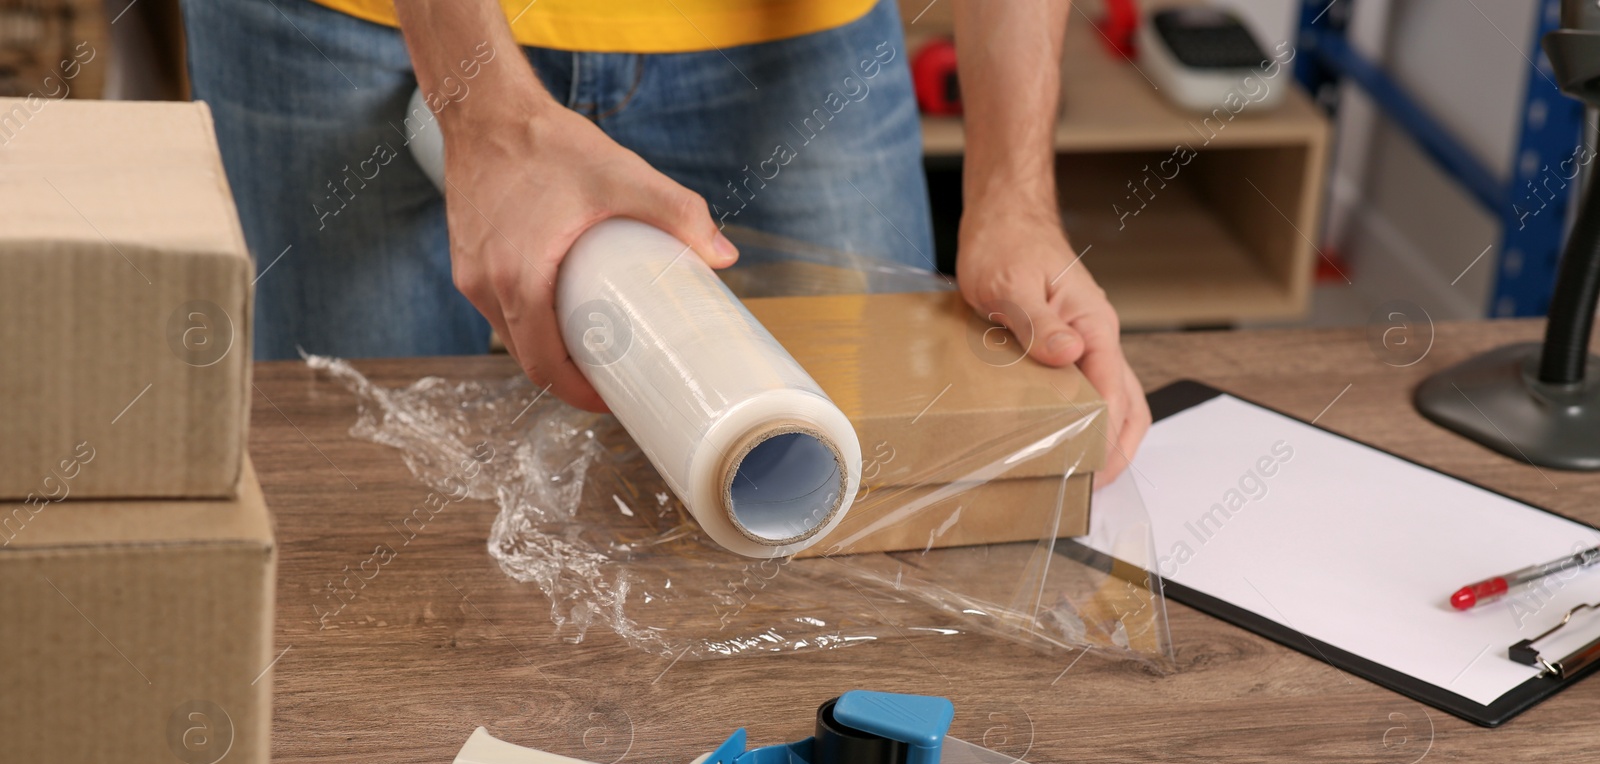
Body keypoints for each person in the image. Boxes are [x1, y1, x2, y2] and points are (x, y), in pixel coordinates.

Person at [183, 0, 1149, 478]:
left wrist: (1015, 197)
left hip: (788, 27)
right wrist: (481, 111)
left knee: (869, 475)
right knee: (362, 487)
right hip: (347, 24)